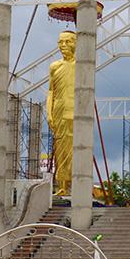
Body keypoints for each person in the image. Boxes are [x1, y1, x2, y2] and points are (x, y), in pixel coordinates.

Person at [47, 31, 76, 196]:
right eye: (61, 42)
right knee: (60, 150)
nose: (63, 46)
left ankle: (75, 184)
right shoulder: (54, 66)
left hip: (75, 112)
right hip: (58, 111)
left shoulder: (82, 65)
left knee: (75, 148)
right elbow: (51, 91)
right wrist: (49, 112)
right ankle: (62, 185)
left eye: (68, 42)